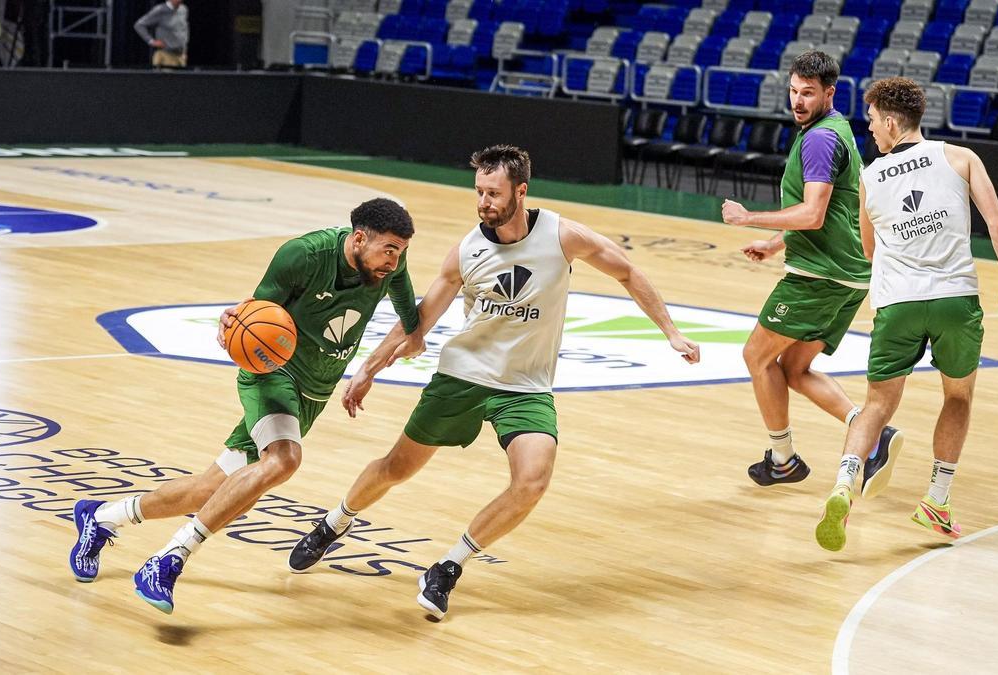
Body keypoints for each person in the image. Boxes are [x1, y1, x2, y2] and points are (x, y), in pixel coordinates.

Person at [288, 144, 701, 620]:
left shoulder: (563, 236)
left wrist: (671, 331)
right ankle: (333, 523)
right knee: (396, 468)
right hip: (463, 377)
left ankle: (447, 567)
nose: (483, 202)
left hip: (525, 385)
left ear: (520, 192)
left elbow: (628, 272)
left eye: (493, 193)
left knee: (532, 481)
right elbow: (418, 320)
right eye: (479, 192)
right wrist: (368, 368)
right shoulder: (468, 249)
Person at [68, 198, 423, 614]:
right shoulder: (304, 255)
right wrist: (234, 324)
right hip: (272, 375)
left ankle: (103, 517)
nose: (395, 261)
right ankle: (168, 559)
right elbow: (256, 315)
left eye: (400, 252)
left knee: (212, 489)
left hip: (315, 391)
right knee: (284, 460)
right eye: (389, 250)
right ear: (359, 238)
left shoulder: (390, 265)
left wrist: (388, 355)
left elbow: (408, 312)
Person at [814, 76, 998, 551]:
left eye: (871, 121)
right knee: (958, 398)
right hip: (955, 300)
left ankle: (845, 483)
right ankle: (936, 499)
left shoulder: (870, 178)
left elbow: (869, 250)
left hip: (897, 303)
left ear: (891, 121)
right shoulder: (961, 158)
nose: (869, 130)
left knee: (876, 405)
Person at [721, 50, 900, 489]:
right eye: (794, 91)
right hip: (851, 275)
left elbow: (814, 213)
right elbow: (834, 207)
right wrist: (775, 242)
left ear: (829, 93)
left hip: (820, 275)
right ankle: (870, 430)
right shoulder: (835, 131)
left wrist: (750, 219)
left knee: (757, 356)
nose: (798, 101)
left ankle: (783, 458)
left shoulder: (820, 138)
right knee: (794, 369)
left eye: (808, 93)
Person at [134, 0, 189, 69]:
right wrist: (151, 41)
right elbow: (139, 25)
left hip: (181, 56)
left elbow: (183, 30)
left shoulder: (183, 9)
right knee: (168, 79)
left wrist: (184, 50)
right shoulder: (160, 10)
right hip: (165, 56)